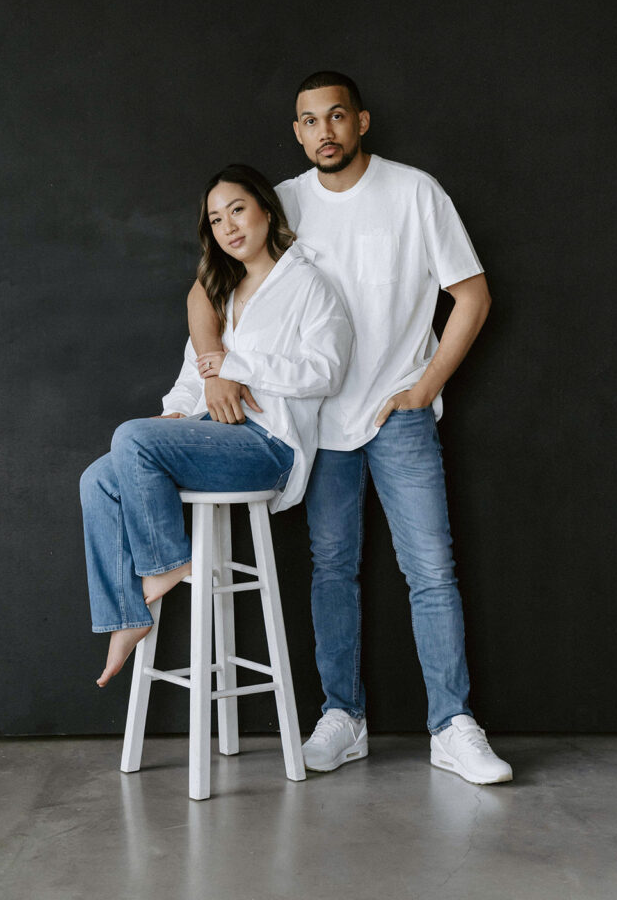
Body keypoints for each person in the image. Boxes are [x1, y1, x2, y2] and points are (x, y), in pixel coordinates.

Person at [188, 73, 513, 785]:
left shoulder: (414, 192)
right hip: (311, 421)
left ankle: (451, 727)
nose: (322, 131)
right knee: (331, 571)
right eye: (308, 121)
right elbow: (204, 286)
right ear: (297, 132)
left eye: (335, 116)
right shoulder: (282, 203)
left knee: (430, 571)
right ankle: (343, 718)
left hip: (396, 415)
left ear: (360, 121)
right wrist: (212, 373)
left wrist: (425, 385)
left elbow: (471, 293)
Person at [80, 163, 353, 689]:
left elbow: (328, 371)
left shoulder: (309, 286)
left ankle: (164, 563)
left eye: (238, 210)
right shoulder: (220, 295)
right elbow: (194, 376)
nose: (229, 226)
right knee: (98, 477)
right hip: (213, 436)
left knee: (131, 437)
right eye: (216, 219)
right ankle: (127, 617)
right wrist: (176, 414)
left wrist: (239, 367)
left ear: (265, 212)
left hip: (269, 445)